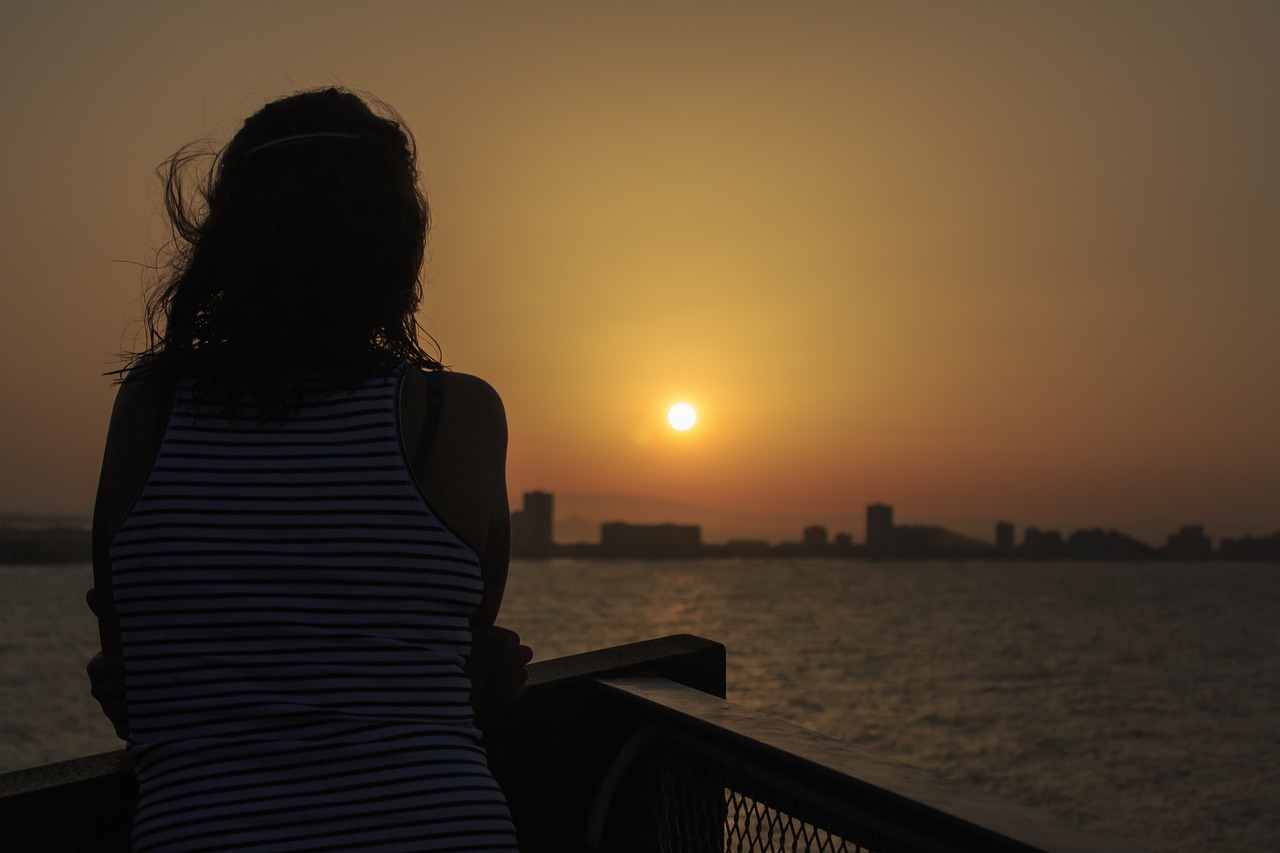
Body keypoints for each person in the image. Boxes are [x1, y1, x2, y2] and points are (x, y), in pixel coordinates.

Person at [87, 87, 531, 852]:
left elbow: (132, 677)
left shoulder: (150, 412)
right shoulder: (453, 419)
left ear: (225, 241)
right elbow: (464, 654)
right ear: (402, 248)